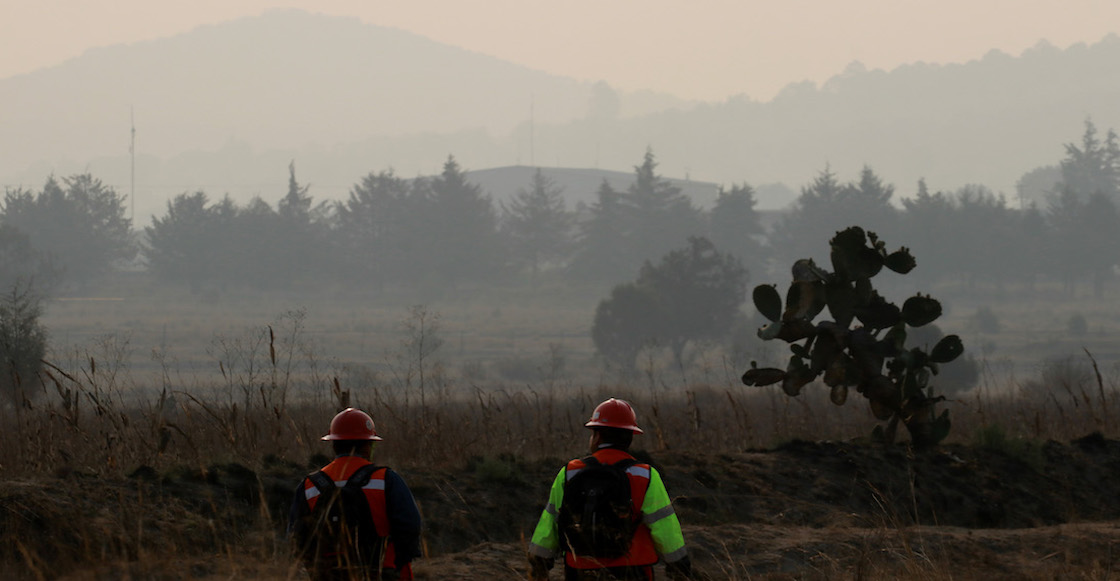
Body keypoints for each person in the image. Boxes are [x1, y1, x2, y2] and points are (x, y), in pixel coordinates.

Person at [528, 398, 692, 580]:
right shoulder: (645, 476)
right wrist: (679, 565)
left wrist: (539, 565)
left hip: (580, 570)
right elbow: (665, 527)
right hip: (633, 570)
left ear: (597, 437)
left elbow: (550, 523)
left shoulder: (569, 473)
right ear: (630, 438)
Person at [289, 407, 422, 581]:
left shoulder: (308, 486)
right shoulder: (386, 479)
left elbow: (295, 539)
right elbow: (410, 528)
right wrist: (391, 567)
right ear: (368, 446)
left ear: (334, 444)